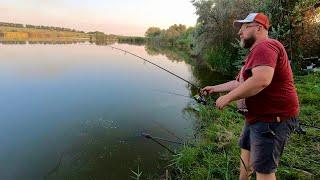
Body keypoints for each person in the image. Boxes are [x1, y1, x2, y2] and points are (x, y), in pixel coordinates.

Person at [201, 13, 299, 180]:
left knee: (264, 170)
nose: (240, 32)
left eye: (245, 27)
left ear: (259, 28)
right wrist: (215, 89)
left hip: (272, 120)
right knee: (245, 153)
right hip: (256, 118)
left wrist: (228, 98)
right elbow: (240, 82)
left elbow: (261, 80)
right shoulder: (254, 54)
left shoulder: (265, 46)